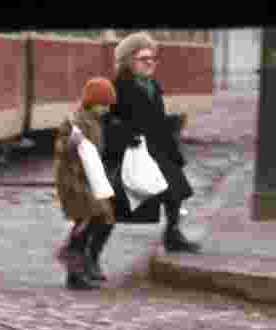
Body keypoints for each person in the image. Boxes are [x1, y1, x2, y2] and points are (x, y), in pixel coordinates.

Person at [104, 31, 200, 253]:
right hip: (131, 153)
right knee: (112, 210)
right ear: (128, 60)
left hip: (157, 150)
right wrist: (125, 137)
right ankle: (87, 254)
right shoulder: (117, 86)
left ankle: (172, 234)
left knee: (175, 191)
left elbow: (159, 122)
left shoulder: (152, 86)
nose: (150, 63)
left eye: (152, 59)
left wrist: (174, 153)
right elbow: (107, 121)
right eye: (144, 59)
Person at [54, 78, 117, 290]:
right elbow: (62, 147)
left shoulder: (94, 121)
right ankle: (74, 268)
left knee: (100, 217)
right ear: (92, 102)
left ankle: (79, 263)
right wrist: (71, 144)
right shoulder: (77, 121)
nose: (107, 109)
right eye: (104, 105)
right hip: (73, 181)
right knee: (87, 219)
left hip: (88, 179)